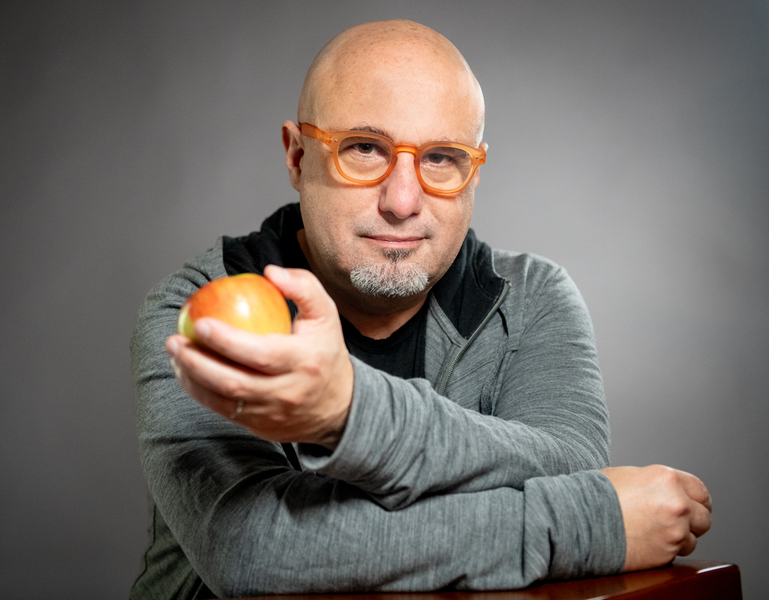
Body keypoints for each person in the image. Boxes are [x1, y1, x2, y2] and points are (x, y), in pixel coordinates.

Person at [130, 20, 712, 600]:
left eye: (441, 158)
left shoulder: (534, 298)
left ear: (475, 172)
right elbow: (253, 551)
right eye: (364, 149)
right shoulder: (198, 313)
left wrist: (348, 413)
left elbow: (570, 467)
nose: (403, 202)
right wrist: (591, 526)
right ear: (297, 154)